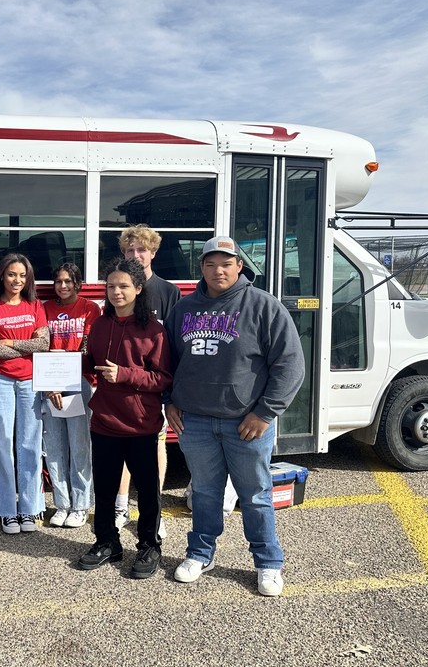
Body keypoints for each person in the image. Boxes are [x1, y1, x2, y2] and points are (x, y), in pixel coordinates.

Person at [164, 235, 304, 597]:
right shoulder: (184, 309)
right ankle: (200, 553)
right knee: (204, 493)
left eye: (226, 264)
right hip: (195, 422)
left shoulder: (263, 306)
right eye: (210, 264)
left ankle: (268, 563)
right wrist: (170, 400)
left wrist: (264, 413)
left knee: (255, 495)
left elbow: (290, 365)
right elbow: (168, 362)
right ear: (201, 268)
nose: (218, 271)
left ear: (239, 266)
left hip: (246, 423)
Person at [77, 259, 173, 579]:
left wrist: (125, 374)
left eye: (123, 286)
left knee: (147, 490)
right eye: (110, 286)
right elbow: (91, 364)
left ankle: (149, 545)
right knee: (104, 488)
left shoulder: (154, 330)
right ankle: (107, 542)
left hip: (141, 424)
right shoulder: (100, 325)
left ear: (138, 289)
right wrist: (68, 364)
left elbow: (162, 378)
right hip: (104, 420)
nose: (116, 292)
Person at [115, 225, 182, 534]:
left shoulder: (168, 292)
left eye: (141, 249)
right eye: (129, 250)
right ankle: (121, 506)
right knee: (122, 447)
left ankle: (152, 511)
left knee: (156, 447)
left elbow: (175, 342)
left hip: (155, 384)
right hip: (123, 383)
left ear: (153, 253)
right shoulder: (119, 288)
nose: (135, 255)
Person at [0, 253, 49, 534]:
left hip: (30, 381)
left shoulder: (35, 305)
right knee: (2, 442)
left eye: (22, 275)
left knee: (30, 443)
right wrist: (26, 345)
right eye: (11, 274)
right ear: (2, 276)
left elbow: (44, 344)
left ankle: (30, 508)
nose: (17, 280)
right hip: (0, 379)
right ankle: (6, 510)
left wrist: (9, 342)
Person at [42, 263, 100, 528]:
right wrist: (51, 385)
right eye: (58, 281)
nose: (63, 286)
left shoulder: (90, 308)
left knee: (79, 446)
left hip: (78, 382)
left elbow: (87, 349)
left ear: (77, 283)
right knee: (54, 446)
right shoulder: (45, 308)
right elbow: (41, 347)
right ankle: (62, 504)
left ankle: (81, 505)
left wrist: (63, 376)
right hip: (49, 384)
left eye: (68, 281)